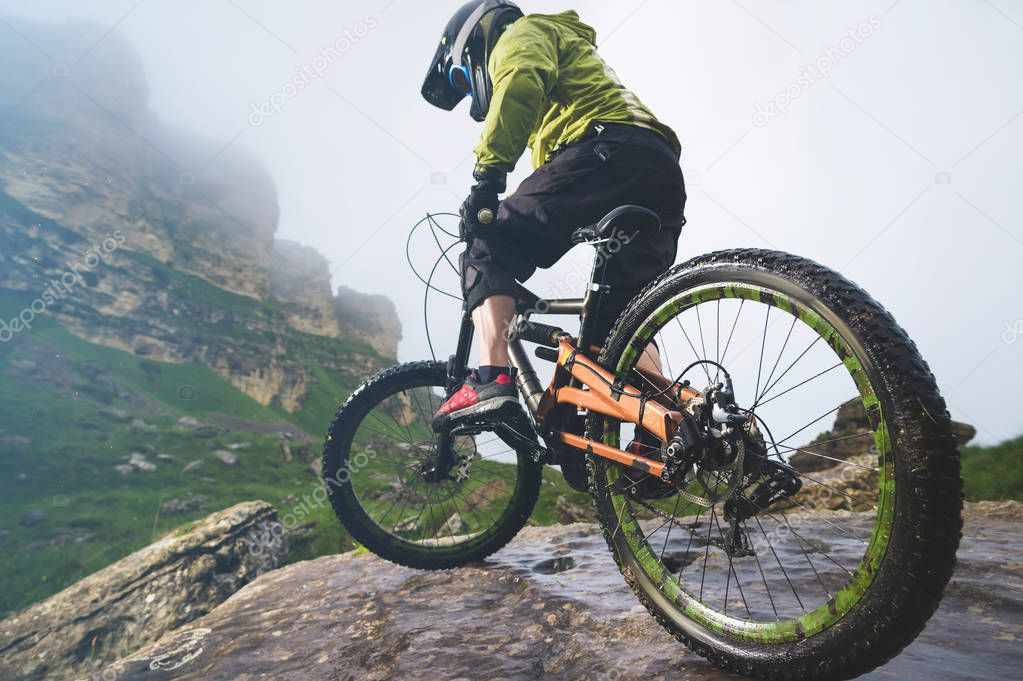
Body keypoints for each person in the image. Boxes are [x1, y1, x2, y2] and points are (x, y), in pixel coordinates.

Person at [422, 1, 686, 431]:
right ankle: (667, 426)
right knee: (619, 326)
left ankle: (490, 376)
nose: (474, 93)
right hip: (657, 170)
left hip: (604, 150)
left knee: (488, 244)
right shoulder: (570, 53)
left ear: (473, 43)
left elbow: (521, 80)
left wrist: (487, 181)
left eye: (464, 82)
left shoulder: (522, 33)